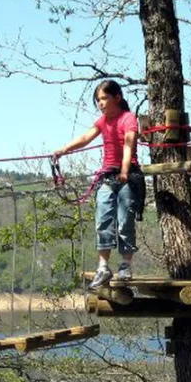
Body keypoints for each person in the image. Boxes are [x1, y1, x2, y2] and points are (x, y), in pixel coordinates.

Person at [54, 80, 143, 289]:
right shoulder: (103, 121)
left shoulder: (128, 118)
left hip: (127, 176)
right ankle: (103, 267)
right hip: (107, 177)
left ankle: (125, 265)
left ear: (117, 98)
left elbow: (129, 143)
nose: (100, 103)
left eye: (104, 98)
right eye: (98, 100)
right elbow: (86, 137)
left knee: (124, 221)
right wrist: (64, 149)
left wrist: (124, 169)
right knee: (103, 220)